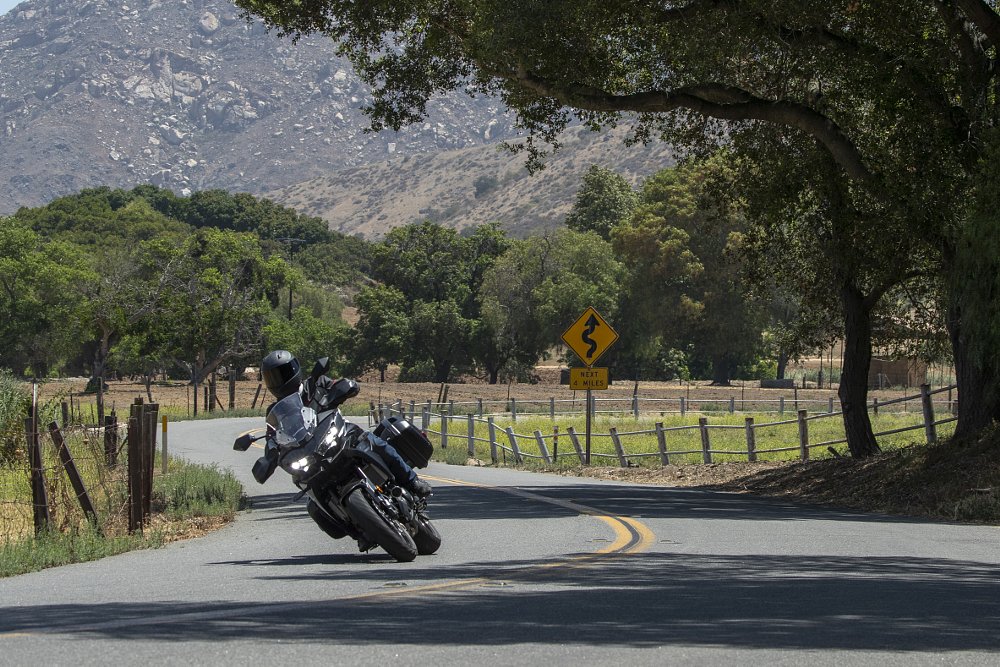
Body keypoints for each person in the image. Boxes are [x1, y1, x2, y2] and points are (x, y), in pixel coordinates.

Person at [260, 350, 432, 498]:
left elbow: (340, 385)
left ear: (295, 368)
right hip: (310, 453)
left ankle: (412, 480)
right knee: (311, 497)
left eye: (282, 373)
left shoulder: (316, 384)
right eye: (272, 377)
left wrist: (347, 387)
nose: (279, 380)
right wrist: (270, 455)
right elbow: (272, 437)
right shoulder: (275, 411)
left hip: (338, 432)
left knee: (376, 443)